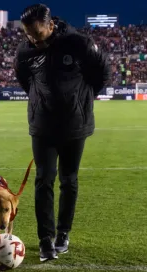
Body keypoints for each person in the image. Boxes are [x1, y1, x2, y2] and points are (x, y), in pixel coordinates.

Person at [14, 3, 111, 262]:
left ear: (51, 26)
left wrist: (81, 101)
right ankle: (45, 239)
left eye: (37, 34)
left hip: (74, 125)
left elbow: (103, 73)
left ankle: (63, 235)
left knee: (69, 181)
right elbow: (25, 80)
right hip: (43, 126)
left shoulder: (78, 43)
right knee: (44, 179)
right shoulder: (25, 51)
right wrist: (41, 102)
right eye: (28, 35)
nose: (32, 40)